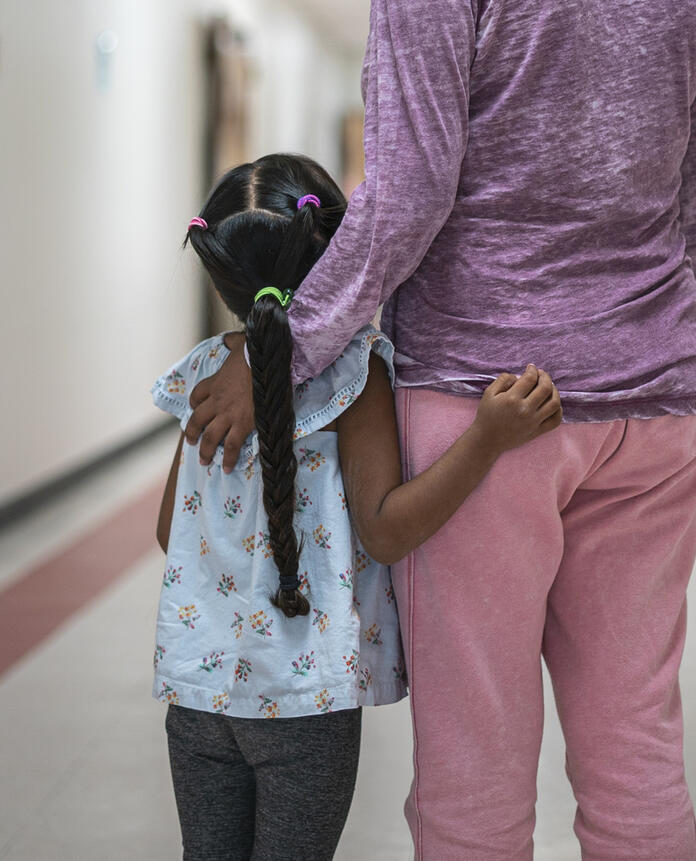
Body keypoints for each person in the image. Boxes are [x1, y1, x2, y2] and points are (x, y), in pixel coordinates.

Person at [184, 0, 696, 861]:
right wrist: (629, 327)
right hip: (663, 406)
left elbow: (411, 186)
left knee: (476, 770)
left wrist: (281, 347)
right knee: (636, 748)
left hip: (486, 406)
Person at [152, 152, 562, 861]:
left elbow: (170, 531)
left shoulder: (206, 374)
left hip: (196, 693)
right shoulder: (355, 373)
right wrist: (487, 439)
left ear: (219, 276)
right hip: (305, 699)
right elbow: (384, 529)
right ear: (338, 256)